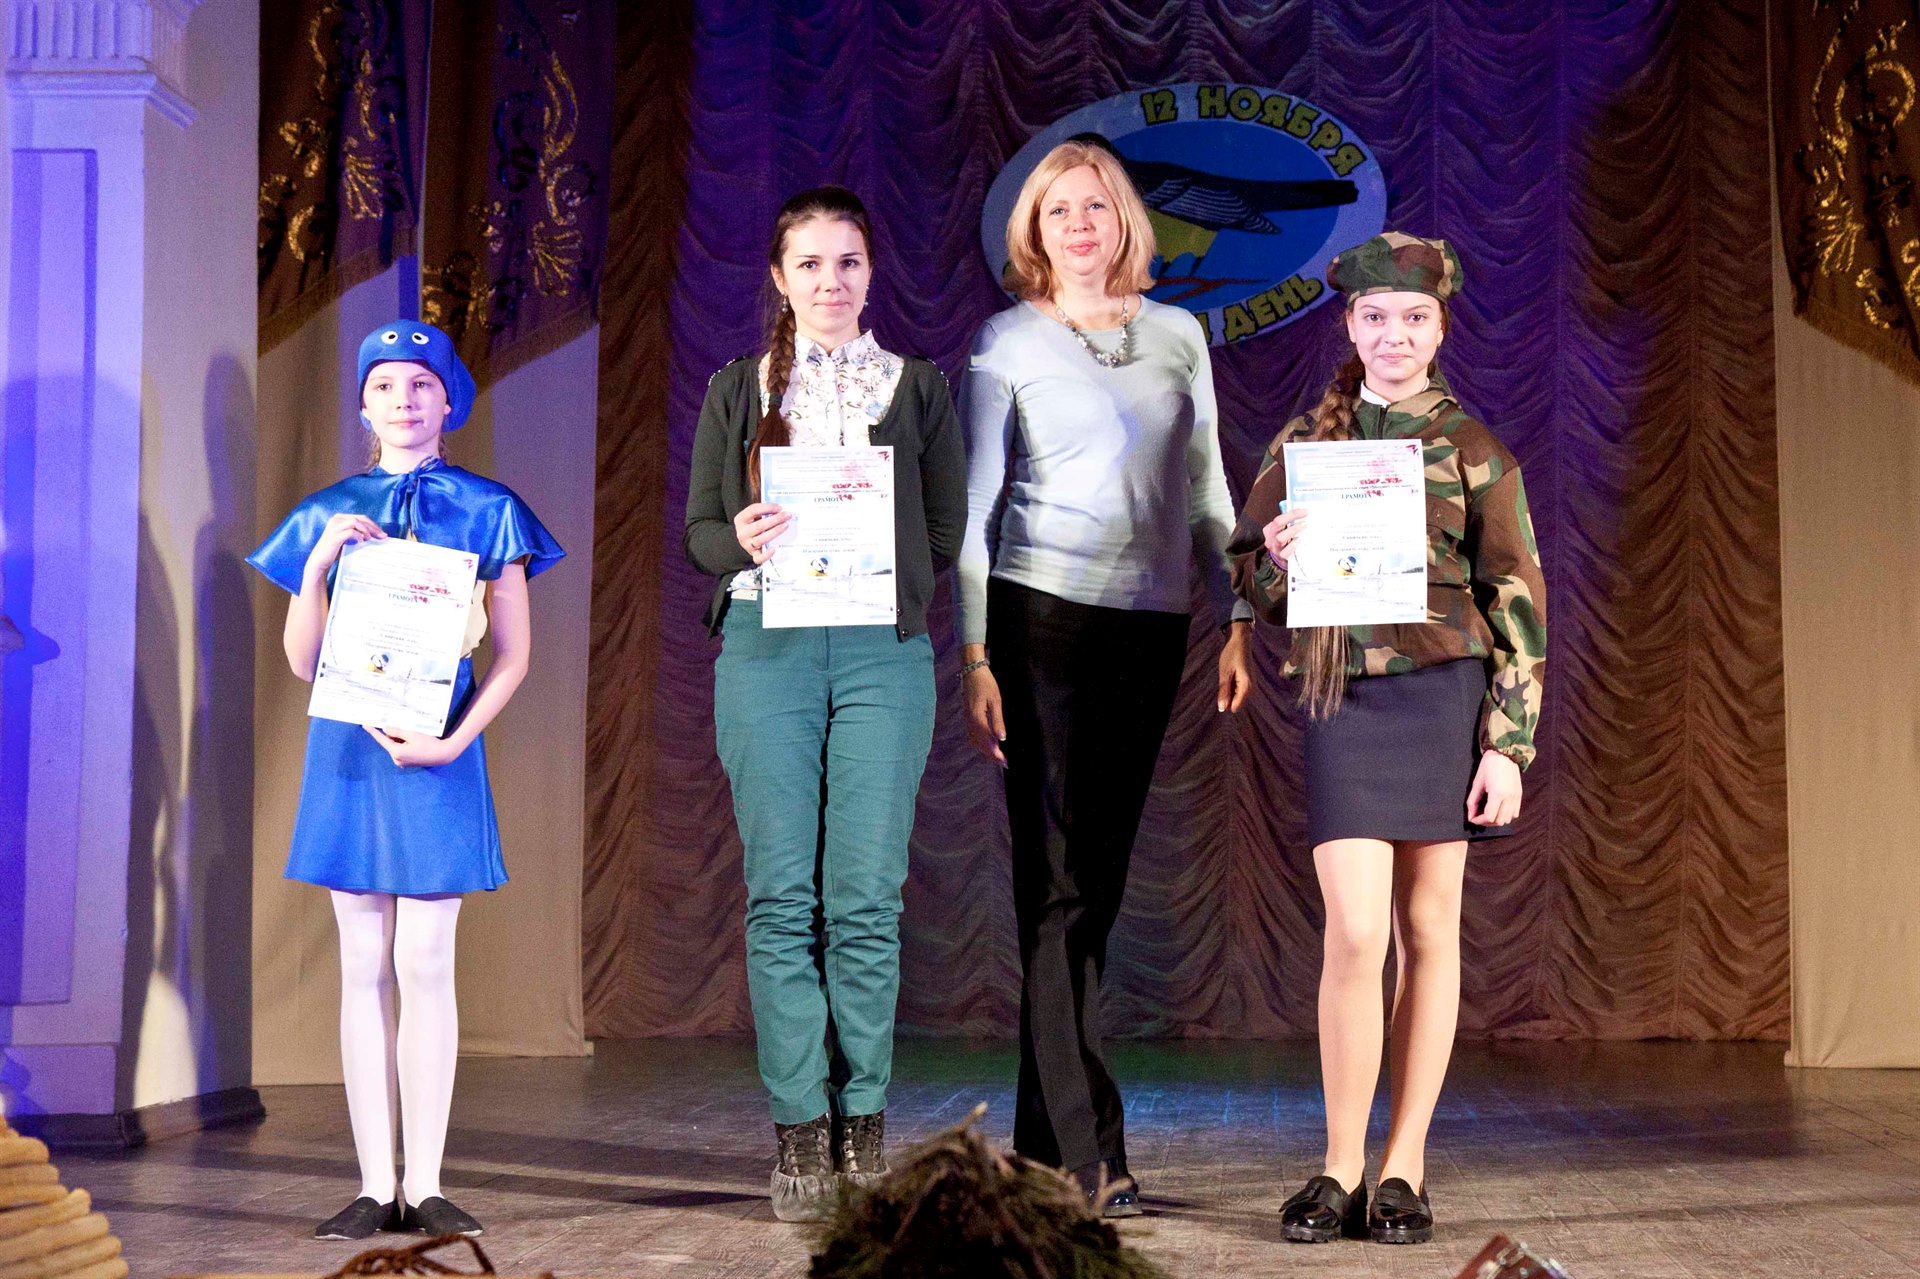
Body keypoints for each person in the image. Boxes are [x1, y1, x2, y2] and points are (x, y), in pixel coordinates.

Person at [1227, 233, 1547, 1245]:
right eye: (1375, 317)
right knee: (1358, 932)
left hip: (1445, 700)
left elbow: (1518, 601)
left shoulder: (1476, 447)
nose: (1393, 334)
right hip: (1348, 701)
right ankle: (1339, 1165)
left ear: (1440, 329)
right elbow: (1251, 580)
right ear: (1350, 325)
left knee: (1428, 929)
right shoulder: (1306, 441)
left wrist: (1508, 744)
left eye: (1414, 318)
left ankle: (1404, 1165)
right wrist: (1278, 562)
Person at [955, 140, 1254, 1216]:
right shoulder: (1006, 342)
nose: (1078, 225)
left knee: (1096, 893)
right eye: (1057, 211)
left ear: (1126, 218)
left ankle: (1045, 1147)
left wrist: (1237, 612)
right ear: (1032, 232)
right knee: (1057, 887)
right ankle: (1091, 1154)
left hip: (1153, 626)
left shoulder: (1178, 334)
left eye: (1095, 206)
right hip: (1040, 620)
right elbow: (976, 513)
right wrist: (975, 654)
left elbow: (1209, 488)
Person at [683, 185, 967, 1222]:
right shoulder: (737, 389)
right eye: (809, 264)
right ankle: (799, 1125)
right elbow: (699, 533)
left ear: (870, 272)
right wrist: (741, 540)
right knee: (779, 899)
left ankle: (863, 1122)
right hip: (769, 647)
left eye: (847, 261)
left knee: (865, 900)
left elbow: (944, 530)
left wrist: (878, 578)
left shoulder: (916, 387)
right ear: (779, 277)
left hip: (881, 652)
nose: (830, 281)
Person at [248, 321, 563, 1242]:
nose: (404, 400)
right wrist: (316, 565)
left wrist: (453, 741)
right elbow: (302, 661)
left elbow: (514, 655)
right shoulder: (329, 510)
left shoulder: (490, 508)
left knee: (426, 961)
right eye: (384, 384)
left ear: (448, 399)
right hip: (350, 750)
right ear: (362, 404)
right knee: (361, 962)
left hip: (437, 751)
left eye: (421, 383)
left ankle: (424, 1184)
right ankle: (370, 1182)